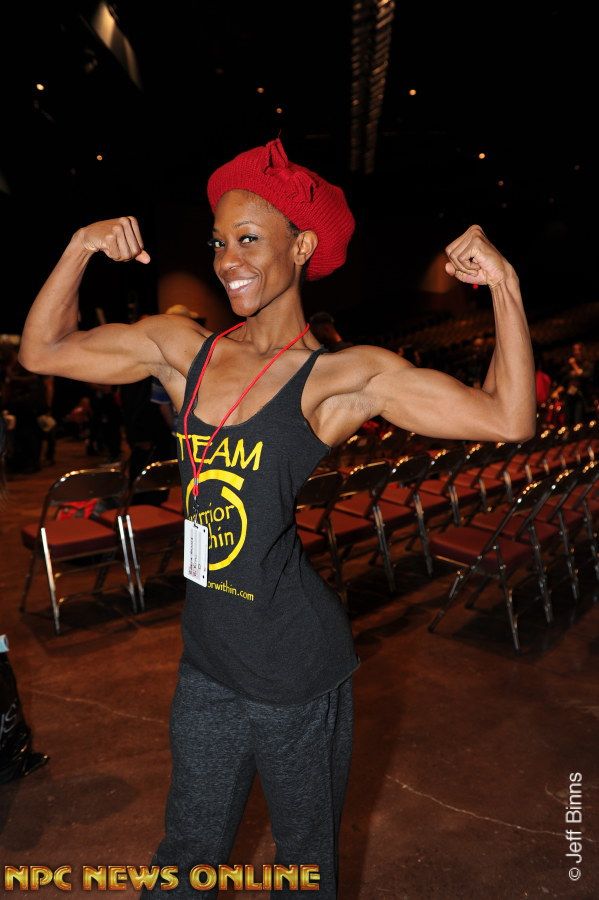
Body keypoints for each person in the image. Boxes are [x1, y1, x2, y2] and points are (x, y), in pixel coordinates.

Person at [19, 137, 536, 898]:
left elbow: (508, 418)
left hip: (297, 670)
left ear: (301, 246)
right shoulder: (183, 350)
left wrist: (504, 285)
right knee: (184, 854)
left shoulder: (339, 377)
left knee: (302, 867)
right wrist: (79, 246)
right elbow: (41, 352)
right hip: (207, 659)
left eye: (248, 240)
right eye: (218, 242)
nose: (227, 260)